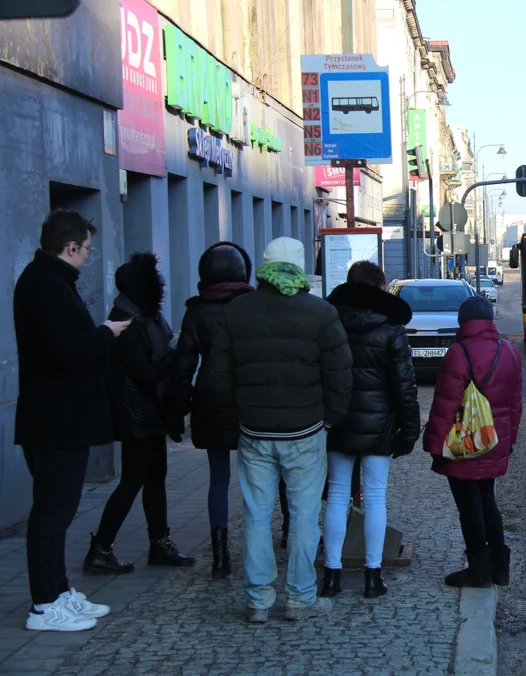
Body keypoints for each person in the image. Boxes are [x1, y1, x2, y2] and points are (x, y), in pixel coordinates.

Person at [203, 237, 352, 623]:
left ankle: (258, 599)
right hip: (305, 430)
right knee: (303, 516)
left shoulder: (236, 311)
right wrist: (330, 418)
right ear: (300, 268)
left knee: (255, 513)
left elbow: (217, 376)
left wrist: (237, 415)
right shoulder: (320, 312)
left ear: (263, 267)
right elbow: (340, 375)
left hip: (253, 430)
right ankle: (301, 597)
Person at [14, 210, 131, 632]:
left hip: (57, 419)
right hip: (55, 422)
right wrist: (106, 333)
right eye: (86, 249)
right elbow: (68, 352)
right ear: (70, 247)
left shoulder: (46, 282)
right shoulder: (47, 286)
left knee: (58, 512)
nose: (87, 256)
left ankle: (60, 592)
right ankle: (45, 606)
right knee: (51, 514)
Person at [83, 253, 193, 575]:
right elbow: (143, 374)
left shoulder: (145, 317)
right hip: (136, 415)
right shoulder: (126, 322)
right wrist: (175, 356)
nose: (160, 286)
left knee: (155, 478)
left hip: (149, 413)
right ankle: (100, 548)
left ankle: (160, 542)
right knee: (132, 481)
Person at [322, 262, 421, 599]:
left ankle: (331, 576)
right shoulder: (392, 328)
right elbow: (405, 386)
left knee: (336, 495)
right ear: (380, 286)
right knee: (376, 496)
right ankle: (372, 576)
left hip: (339, 421)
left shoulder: (330, 321)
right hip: (379, 425)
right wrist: (409, 431)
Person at [423, 296, 522, 588]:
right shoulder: (509, 351)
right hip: (495, 441)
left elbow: (445, 405)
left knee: (469, 507)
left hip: (464, 444)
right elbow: (516, 404)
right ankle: (499, 568)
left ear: (462, 322)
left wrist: (433, 445)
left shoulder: (458, 353)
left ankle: (478, 570)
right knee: (487, 501)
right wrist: (510, 440)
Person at [174, 242, 254, 579]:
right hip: (249, 399)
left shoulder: (196, 311)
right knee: (258, 478)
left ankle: (220, 556)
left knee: (218, 479)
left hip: (210, 398)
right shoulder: (252, 306)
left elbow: (183, 366)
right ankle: (262, 546)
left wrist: (177, 409)